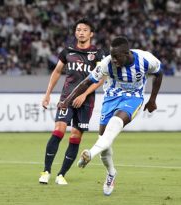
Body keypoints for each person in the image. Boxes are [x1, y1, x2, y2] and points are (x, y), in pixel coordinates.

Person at [58, 36, 163, 195]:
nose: (113, 60)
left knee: (115, 122)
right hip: (110, 99)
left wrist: (152, 99)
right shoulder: (107, 63)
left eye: (117, 56)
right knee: (104, 139)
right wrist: (68, 100)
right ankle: (111, 173)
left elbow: (159, 74)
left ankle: (90, 154)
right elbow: (86, 82)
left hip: (133, 98)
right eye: (112, 56)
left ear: (127, 53)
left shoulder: (146, 60)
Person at [39, 18, 107, 185]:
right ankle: (46, 171)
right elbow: (56, 72)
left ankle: (61, 174)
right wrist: (47, 94)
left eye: (85, 30)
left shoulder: (98, 54)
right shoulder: (67, 51)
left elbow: (101, 79)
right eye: (78, 30)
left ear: (91, 34)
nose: (81, 32)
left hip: (86, 101)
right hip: (67, 98)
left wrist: (84, 95)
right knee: (59, 130)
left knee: (76, 136)